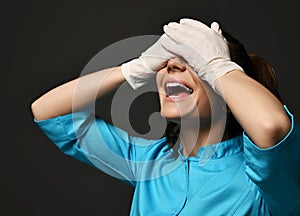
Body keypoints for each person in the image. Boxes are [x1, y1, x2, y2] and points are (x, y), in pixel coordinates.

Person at [31, 18, 300, 215]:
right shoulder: (149, 160)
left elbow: (271, 126)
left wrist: (218, 65)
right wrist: (133, 69)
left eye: (195, 62)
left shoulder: (265, 179)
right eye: (167, 60)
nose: (172, 65)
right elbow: (46, 111)